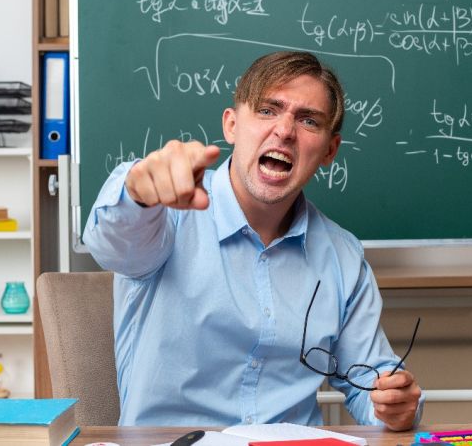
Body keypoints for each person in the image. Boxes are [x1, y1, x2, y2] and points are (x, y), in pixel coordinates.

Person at [83, 51, 423, 429]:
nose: (285, 131)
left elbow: (370, 384)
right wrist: (138, 188)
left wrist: (395, 405)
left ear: (329, 150)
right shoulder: (167, 216)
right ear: (231, 125)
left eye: (308, 120)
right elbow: (110, 241)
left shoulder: (342, 256)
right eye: (267, 110)